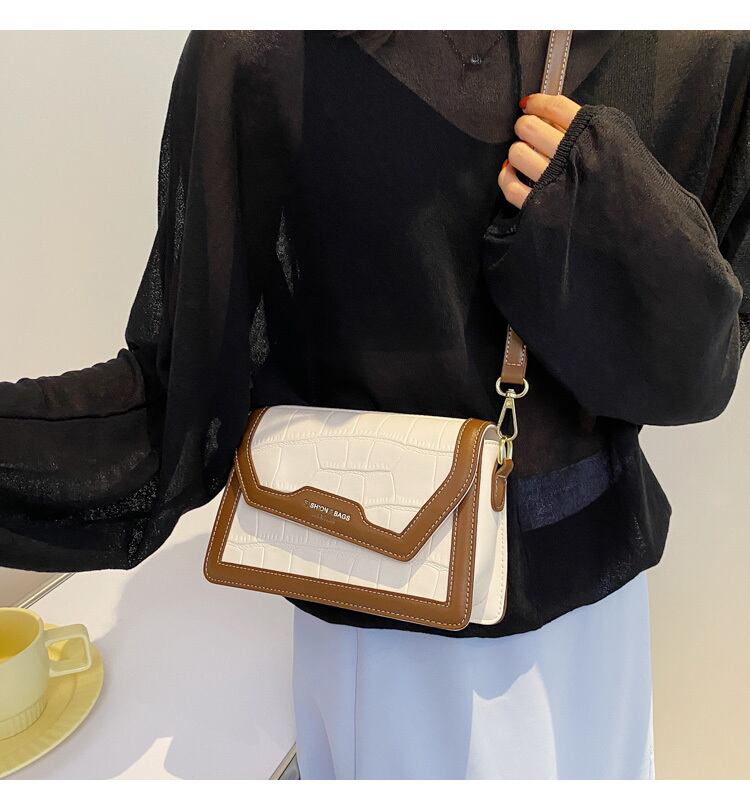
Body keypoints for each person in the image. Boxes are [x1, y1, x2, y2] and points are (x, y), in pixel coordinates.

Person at [1, 30, 748, 779]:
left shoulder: (705, 47)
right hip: (390, 625)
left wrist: (614, 206)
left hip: (596, 626)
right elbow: (174, 409)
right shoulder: (267, 50)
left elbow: (701, 372)